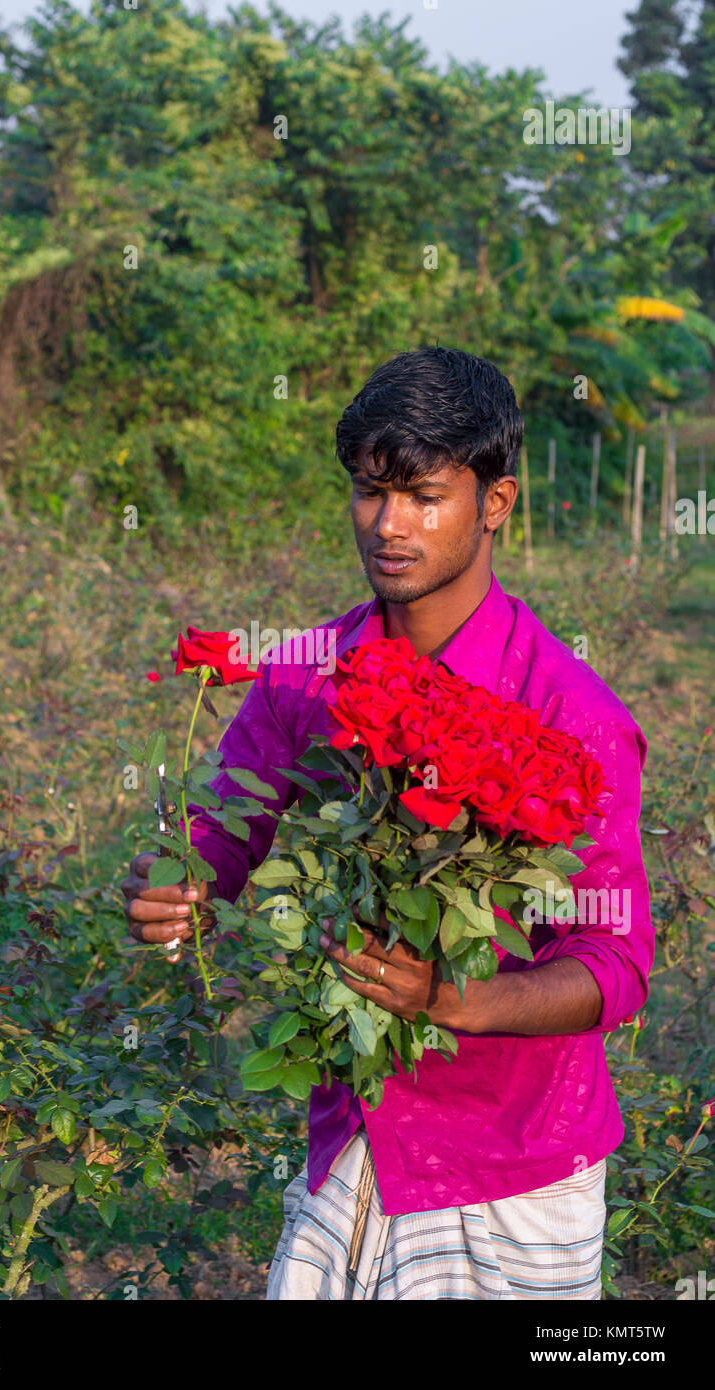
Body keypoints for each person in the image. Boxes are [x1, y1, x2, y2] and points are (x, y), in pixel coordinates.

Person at [121, 345, 653, 1300]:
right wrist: (185, 886)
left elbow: (615, 966)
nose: (389, 525)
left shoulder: (573, 715)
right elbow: (226, 824)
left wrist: (455, 1001)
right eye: (371, 492)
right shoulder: (308, 668)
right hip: (353, 1141)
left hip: (514, 1168)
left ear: (497, 502)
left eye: (424, 495)